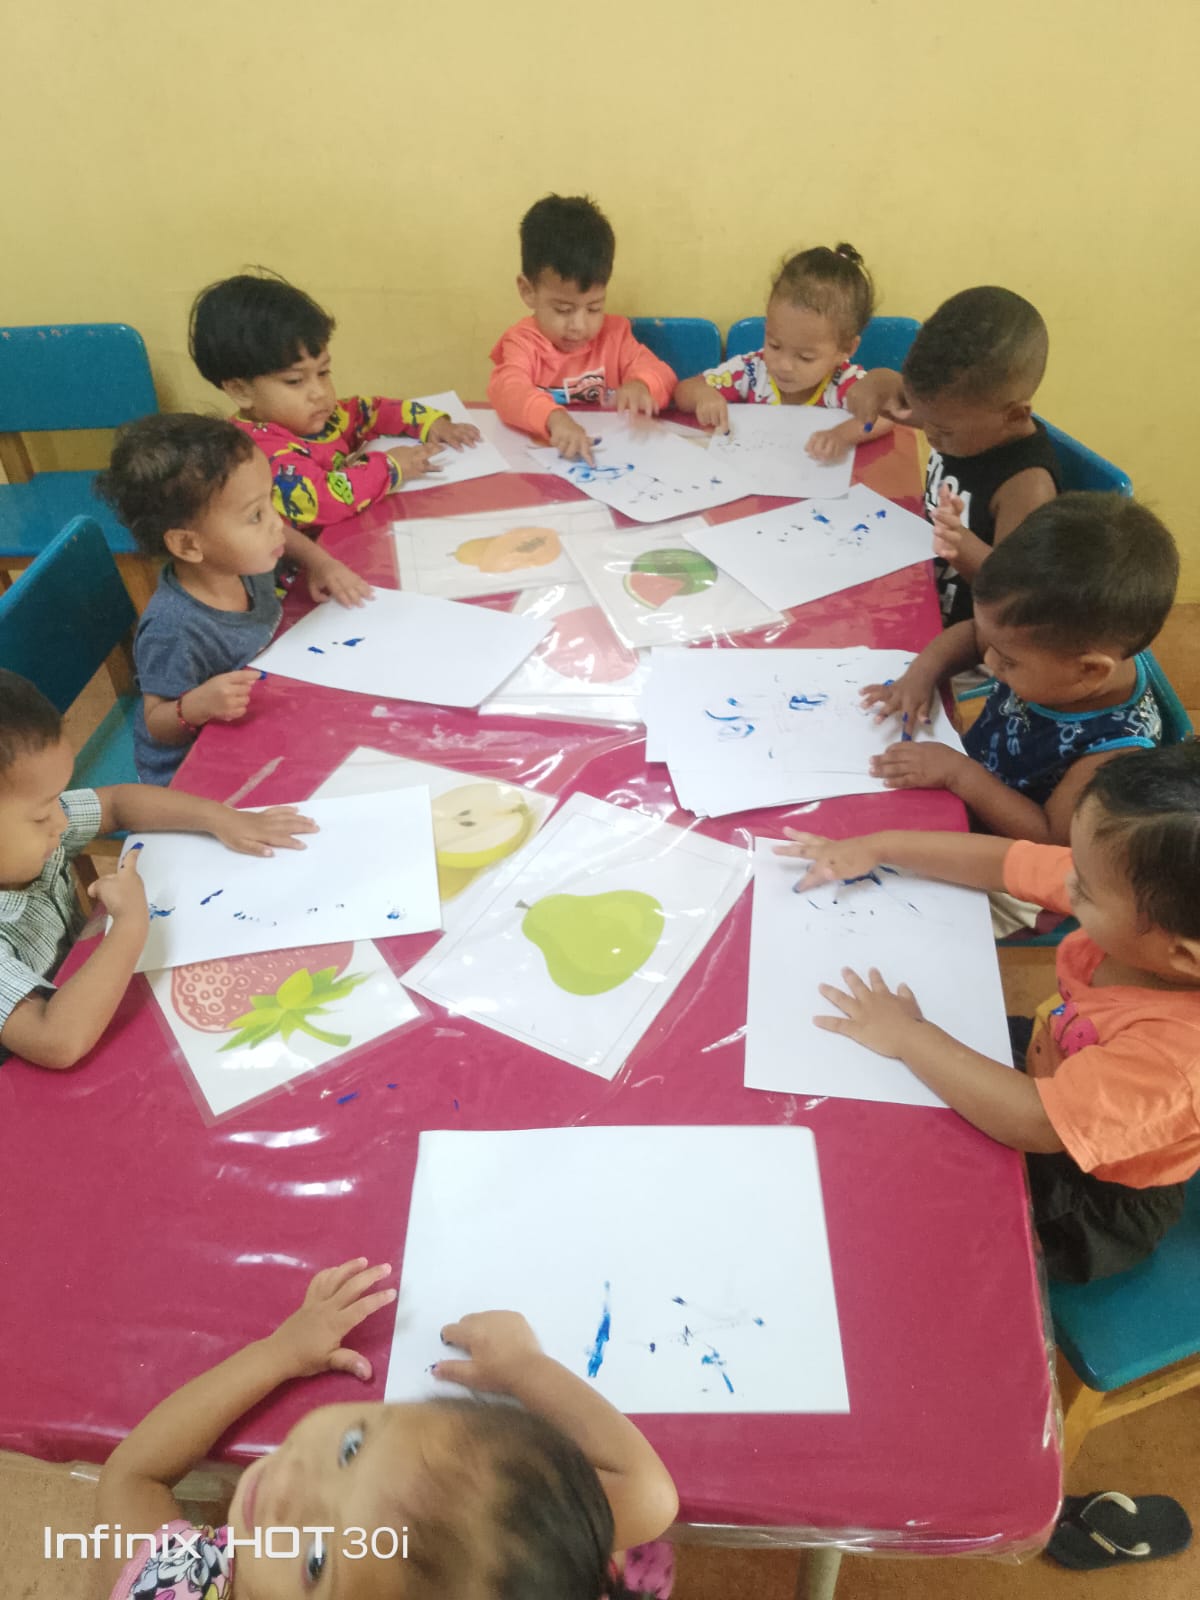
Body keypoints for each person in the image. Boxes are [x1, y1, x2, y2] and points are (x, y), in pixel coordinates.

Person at [777, 742, 1200, 1283]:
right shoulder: (1139, 899)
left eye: (1085, 888)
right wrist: (878, 847)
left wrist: (909, 1035)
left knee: (928, 1226)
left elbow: (1035, 1123)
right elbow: (1008, 862)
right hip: (1054, 1063)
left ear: (1185, 956)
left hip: (1088, 1187)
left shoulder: (1178, 1061)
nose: (1067, 880)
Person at [97, 1258, 679, 1600]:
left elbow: (133, 1475)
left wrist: (278, 1353)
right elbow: (649, 1494)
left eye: (318, 1560)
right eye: (351, 1449)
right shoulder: (514, 1554)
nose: (291, 1487)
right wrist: (526, 1367)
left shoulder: (168, 1586)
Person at [0, 669, 316, 1068]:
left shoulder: (33, 833)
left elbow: (118, 803)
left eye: (57, 802)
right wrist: (131, 922)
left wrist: (221, 818)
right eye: (41, 815)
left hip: (86, 983)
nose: (60, 822)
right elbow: (56, 1039)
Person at [862, 494, 1179, 844]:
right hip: (961, 776)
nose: (990, 660)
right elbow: (973, 636)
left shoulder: (1115, 752)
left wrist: (959, 774)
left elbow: (1048, 837)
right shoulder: (1058, 652)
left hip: (999, 850)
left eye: (1008, 660)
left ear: (1089, 671)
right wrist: (921, 675)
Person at [98, 415, 371, 785]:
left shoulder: (242, 558)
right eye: (256, 515)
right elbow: (156, 722)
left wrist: (321, 562)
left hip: (259, 721)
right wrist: (197, 706)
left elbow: (285, 537)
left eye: (269, 501)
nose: (276, 522)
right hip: (192, 774)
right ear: (189, 545)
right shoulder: (174, 629)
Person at [190, 270, 480, 529]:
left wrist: (431, 423)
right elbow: (324, 498)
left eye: (323, 372)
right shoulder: (252, 455)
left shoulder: (320, 416)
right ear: (241, 391)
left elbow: (372, 411)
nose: (319, 392)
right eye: (295, 381)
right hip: (301, 567)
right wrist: (391, 467)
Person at [848, 286, 1062, 624]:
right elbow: (891, 387)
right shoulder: (962, 418)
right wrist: (873, 383)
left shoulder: (1026, 486)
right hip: (915, 581)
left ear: (1014, 416)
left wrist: (960, 544)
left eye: (942, 431)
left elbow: (1011, 593)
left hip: (961, 631)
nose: (928, 433)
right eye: (924, 417)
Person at [487, 194, 676, 465]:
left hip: (608, 461)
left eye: (594, 308)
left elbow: (664, 375)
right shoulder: (523, 343)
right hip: (541, 463)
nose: (579, 326)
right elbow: (507, 391)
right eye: (563, 310)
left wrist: (642, 385)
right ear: (528, 291)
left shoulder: (614, 336)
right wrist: (553, 418)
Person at [673, 243, 889, 462]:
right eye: (774, 345)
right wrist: (703, 396)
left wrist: (842, 435)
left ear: (845, 349)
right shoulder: (751, 371)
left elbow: (886, 416)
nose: (783, 365)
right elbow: (683, 391)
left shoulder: (846, 383)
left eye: (805, 357)